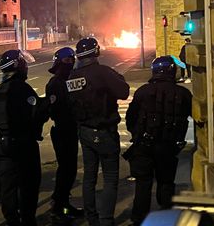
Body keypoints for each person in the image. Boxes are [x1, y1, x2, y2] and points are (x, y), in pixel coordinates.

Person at [67, 37, 130, 226]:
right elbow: (124, 91)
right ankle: (106, 220)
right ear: (96, 52)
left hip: (85, 131)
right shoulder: (102, 72)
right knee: (110, 179)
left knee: (89, 176)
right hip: (105, 132)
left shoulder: (72, 77)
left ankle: (91, 218)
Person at [125, 56, 192, 226]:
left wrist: (136, 134)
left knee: (143, 183)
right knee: (166, 182)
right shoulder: (183, 94)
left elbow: (130, 118)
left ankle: (139, 219)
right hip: (169, 146)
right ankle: (167, 217)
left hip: (144, 146)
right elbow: (194, 116)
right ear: (172, 71)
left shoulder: (142, 92)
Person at [0, 50, 49, 226]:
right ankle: (27, 220)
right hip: (23, 143)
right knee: (29, 184)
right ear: (19, 66)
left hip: (3, 144)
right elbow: (36, 113)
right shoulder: (22, 88)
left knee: (8, 186)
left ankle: (11, 219)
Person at [46, 47, 84, 224]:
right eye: (68, 60)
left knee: (69, 170)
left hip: (69, 129)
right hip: (62, 130)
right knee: (66, 170)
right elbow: (57, 109)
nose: (71, 63)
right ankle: (58, 206)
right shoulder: (55, 83)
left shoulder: (68, 79)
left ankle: (63, 203)